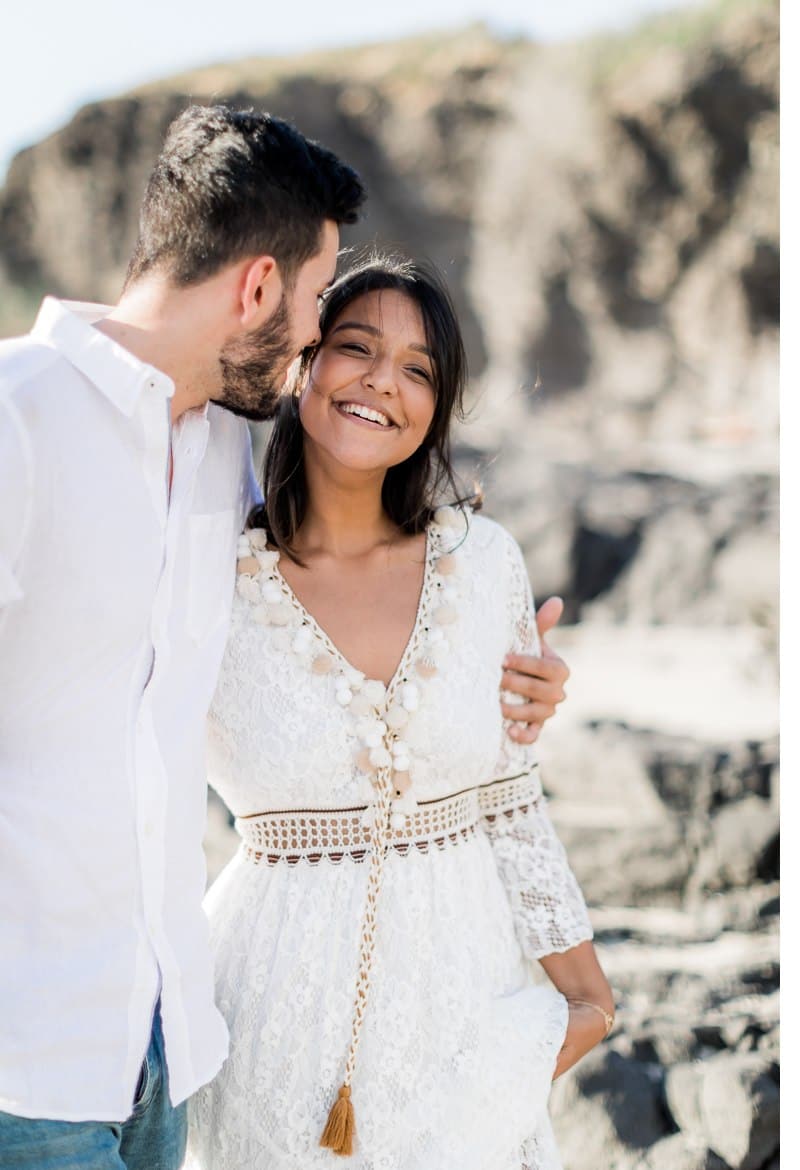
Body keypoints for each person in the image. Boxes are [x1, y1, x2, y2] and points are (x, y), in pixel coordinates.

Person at [0, 106, 567, 1170]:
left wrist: (500, 689)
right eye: (318, 304)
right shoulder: (14, 418)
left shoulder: (217, 450)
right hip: (20, 1062)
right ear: (259, 289)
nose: (314, 342)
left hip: (168, 1048)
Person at [186, 254, 612, 1169]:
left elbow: (508, 793)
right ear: (301, 362)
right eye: (356, 347)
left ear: (437, 408)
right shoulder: (204, 578)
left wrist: (588, 1000)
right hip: (271, 1021)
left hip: (464, 1005)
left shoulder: (483, 561)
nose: (385, 380)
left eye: (418, 369)